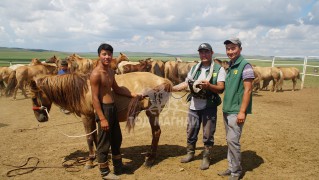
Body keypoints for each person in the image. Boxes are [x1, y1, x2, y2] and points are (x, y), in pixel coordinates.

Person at [90, 43, 141, 180]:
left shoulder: (111, 72)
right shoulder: (96, 74)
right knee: (103, 142)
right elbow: (94, 98)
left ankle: (118, 166)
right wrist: (102, 118)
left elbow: (117, 89)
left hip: (113, 109)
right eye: (104, 54)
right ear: (99, 55)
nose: (107, 57)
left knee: (117, 138)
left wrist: (132, 94)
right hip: (104, 110)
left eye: (109, 54)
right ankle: (105, 172)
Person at [172, 43, 226, 170]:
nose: (204, 54)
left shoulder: (219, 69)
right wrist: (171, 88)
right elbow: (186, 83)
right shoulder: (195, 68)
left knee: (208, 132)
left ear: (212, 53)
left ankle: (206, 157)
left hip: (209, 105)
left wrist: (209, 86)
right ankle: (190, 153)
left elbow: (221, 88)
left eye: (206, 52)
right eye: (201, 52)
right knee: (191, 130)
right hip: (194, 105)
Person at [218, 38, 254, 180]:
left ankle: (236, 172)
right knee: (230, 140)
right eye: (228, 49)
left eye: (233, 48)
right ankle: (231, 166)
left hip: (236, 111)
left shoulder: (245, 66)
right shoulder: (231, 65)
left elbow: (248, 90)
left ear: (240, 49)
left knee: (233, 140)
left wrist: (242, 111)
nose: (230, 51)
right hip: (227, 109)